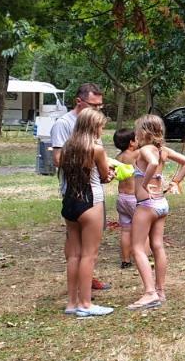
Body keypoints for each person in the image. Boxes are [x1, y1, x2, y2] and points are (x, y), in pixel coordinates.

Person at [127, 114, 185, 310]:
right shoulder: (162, 150)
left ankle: (149, 293)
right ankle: (160, 290)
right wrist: (175, 181)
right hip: (161, 204)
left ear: (143, 132)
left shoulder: (146, 150)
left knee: (138, 248)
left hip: (146, 204)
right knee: (158, 246)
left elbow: (153, 164)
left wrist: (145, 184)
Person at [51, 83, 111, 292]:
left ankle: (82, 286)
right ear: (79, 101)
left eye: (100, 106)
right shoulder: (63, 124)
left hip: (88, 188)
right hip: (77, 191)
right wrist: (93, 164)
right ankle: (82, 292)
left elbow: (97, 155)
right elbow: (58, 159)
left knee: (86, 247)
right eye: (93, 105)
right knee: (80, 248)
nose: (97, 110)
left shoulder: (92, 125)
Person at [59, 108, 114, 318]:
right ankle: (86, 304)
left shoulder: (67, 148)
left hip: (70, 203)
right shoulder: (96, 149)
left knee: (73, 255)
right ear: (93, 127)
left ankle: (72, 302)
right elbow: (104, 175)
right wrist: (111, 175)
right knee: (89, 256)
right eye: (100, 126)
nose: (102, 130)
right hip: (91, 203)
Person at [113, 128, 139, 271]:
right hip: (133, 198)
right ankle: (146, 257)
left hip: (121, 198)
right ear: (131, 142)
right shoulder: (135, 154)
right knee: (143, 229)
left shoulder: (118, 157)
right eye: (136, 139)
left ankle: (125, 260)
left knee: (125, 230)